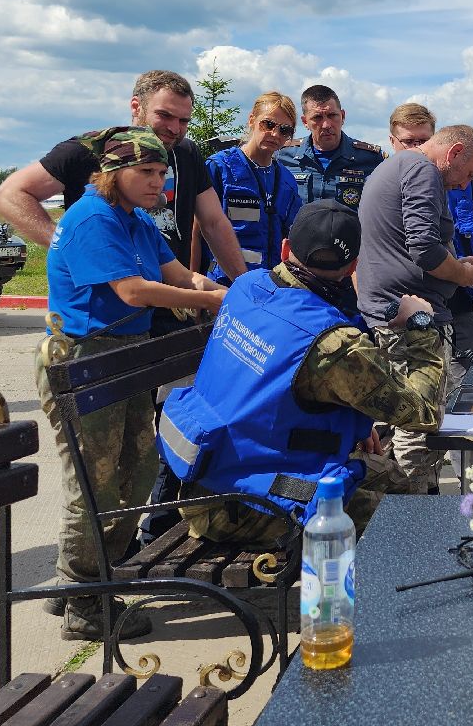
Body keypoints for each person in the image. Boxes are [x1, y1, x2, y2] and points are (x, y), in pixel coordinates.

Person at [156, 201, 446, 541]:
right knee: (409, 518)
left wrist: (352, 420)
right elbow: (423, 413)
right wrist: (421, 325)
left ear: (286, 248)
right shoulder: (333, 342)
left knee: (395, 478)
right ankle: (351, 593)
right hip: (244, 506)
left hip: (209, 478)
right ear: (353, 265)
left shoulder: (247, 287)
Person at [37, 126, 227, 641]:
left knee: (137, 474)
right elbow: (134, 292)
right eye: (146, 172)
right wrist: (215, 304)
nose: (158, 184)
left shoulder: (136, 219)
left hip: (123, 358)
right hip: (84, 359)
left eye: (162, 173)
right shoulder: (93, 217)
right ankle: (85, 604)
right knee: (94, 485)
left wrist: (231, 291)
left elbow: (180, 274)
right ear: (111, 172)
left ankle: (75, 581)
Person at [0, 69, 249, 289]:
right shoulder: (91, 149)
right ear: (136, 106)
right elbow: (10, 195)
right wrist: (67, 246)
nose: (175, 128)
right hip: (106, 309)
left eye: (184, 120)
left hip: (172, 301)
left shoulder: (186, 152)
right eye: (165, 115)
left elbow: (214, 222)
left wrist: (243, 287)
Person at [356, 124, 473, 495]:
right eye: (469, 174)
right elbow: (425, 251)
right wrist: (462, 274)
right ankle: (412, 519)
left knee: (399, 422)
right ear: (454, 152)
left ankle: (396, 510)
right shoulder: (422, 170)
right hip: (410, 322)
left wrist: (461, 263)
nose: (465, 184)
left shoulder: (397, 166)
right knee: (418, 427)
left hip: (393, 312)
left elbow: (410, 243)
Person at [388, 103, 473, 490]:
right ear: (393, 143)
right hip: (407, 312)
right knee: (407, 411)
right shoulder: (390, 180)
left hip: (456, 309)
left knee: (463, 402)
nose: (418, 149)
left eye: (425, 140)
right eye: (409, 142)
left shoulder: (460, 179)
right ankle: (411, 496)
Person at [202, 91, 304, 284]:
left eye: (284, 130)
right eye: (268, 124)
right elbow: (197, 229)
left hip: (271, 286)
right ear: (251, 120)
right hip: (224, 285)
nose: (275, 134)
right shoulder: (220, 167)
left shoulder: (287, 181)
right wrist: (196, 287)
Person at [276, 84, 386, 208]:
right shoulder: (283, 156)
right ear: (305, 122)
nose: (326, 125)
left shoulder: (372, 159)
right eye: (317, 117)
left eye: (332, 115)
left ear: (343, 116)